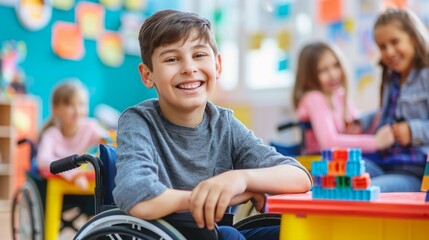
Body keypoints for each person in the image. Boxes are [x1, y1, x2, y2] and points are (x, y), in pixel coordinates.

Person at [112, 9, 312, 240]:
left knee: (293, 232)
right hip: (161, 233)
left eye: (199, 55)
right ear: (148, 75)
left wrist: (239, 179)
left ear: (217, 65)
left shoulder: (224, 124)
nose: (188, 68)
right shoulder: (139, 121)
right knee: (228, 235)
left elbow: (299, 177)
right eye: (171, 59)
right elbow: (137, 197)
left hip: (213, 232)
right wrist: (217, 195)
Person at [362, 7, 429, 192]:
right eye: (382, 47)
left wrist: (412, 131)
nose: (389, 52)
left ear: (413, 38)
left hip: (415, 172)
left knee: (369, 190)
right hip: (386, 163)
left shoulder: (425, 75)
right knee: (340, 175)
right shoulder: (392, 78)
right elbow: (386, 112)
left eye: (395, 42)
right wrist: (362, 122)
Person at [291, 41, 394, 155]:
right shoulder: (314, 98)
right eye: (323, 70)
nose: (333, 74)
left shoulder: (339, 95)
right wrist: (375, 142)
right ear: (309, 76)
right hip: (320, 162)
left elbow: (355, 128)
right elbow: (328, 143)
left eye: (336, 66)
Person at [37, 79, 108, 190]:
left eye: (81, 104)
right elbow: (42, 160)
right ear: (55, 109)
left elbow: (108, 141)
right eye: (69, 105)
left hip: (86, 184)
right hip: (56, 187)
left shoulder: (91, 126)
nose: (77, 110)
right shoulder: (51, 135)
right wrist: (74, 174)